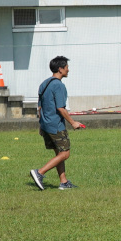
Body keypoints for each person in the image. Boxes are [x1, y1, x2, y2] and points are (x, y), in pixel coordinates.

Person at [29, 55, 85, 191]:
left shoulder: (44, 83)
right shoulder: (58, 85)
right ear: (60, 69)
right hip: (55, 125)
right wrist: (73, 122)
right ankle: (40, 172)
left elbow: (40, 107)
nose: (68, 70)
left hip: (45, 124)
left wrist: (42, 124)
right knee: (65, 153)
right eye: (66, 67)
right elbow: (61, 108)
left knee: (59, 153)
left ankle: (64, 182)